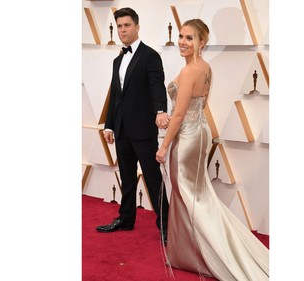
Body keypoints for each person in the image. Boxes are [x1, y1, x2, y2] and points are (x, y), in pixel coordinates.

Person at [156, 19, 269, 280]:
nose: (183, 42)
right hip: (199, 132)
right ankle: (193, 252)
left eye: (190, 38)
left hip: (186, 138)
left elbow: (181, 112)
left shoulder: (189, 71)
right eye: (181, 36)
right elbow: (199, 106)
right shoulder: (205, 68)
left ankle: (216, 254)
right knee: (196, 196)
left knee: (193, 197)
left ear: (202, 42)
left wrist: (164, 146)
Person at [96, 7, 169, 244]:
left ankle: (166, 224)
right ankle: (126, 218)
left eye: (127, 25)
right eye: (119, 26)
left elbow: (157, 85)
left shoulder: (150, 56)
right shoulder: (118, 59)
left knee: (152, 178)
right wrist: (109, 125)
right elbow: (116, 95)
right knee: (127, 177)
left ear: (137, 27)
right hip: (122, 129)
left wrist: (160, 110)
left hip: (143, 129)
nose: (123, 30)